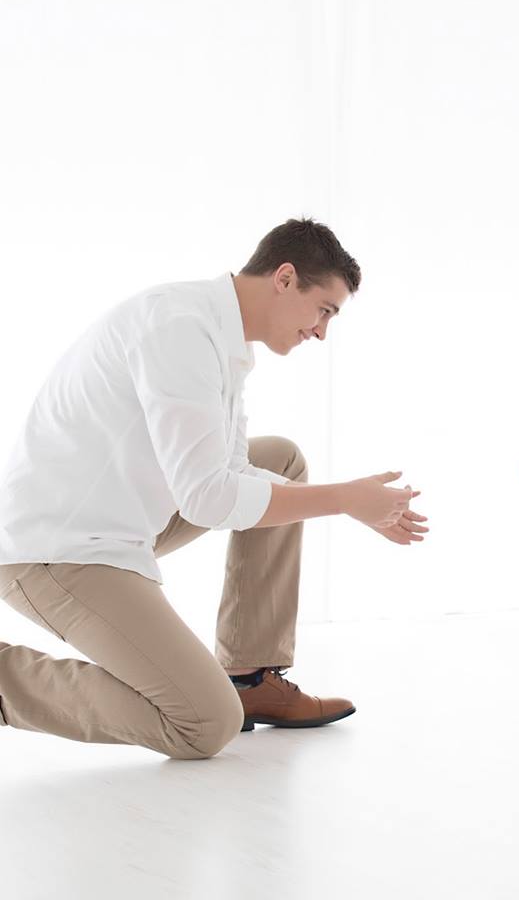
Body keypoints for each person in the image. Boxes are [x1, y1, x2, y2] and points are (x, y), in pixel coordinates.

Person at [0, 218, 427, 759]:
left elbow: (227, 471)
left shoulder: (224, 340)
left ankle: (250, 678)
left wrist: (351, 503)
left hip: (117, 521)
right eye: (325, 309)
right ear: (285, 278)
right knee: (202, 723)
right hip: (53, 551)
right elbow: (208, 498)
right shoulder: (178, 328)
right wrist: (344, 499)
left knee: (281, 460)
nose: (322, 331)